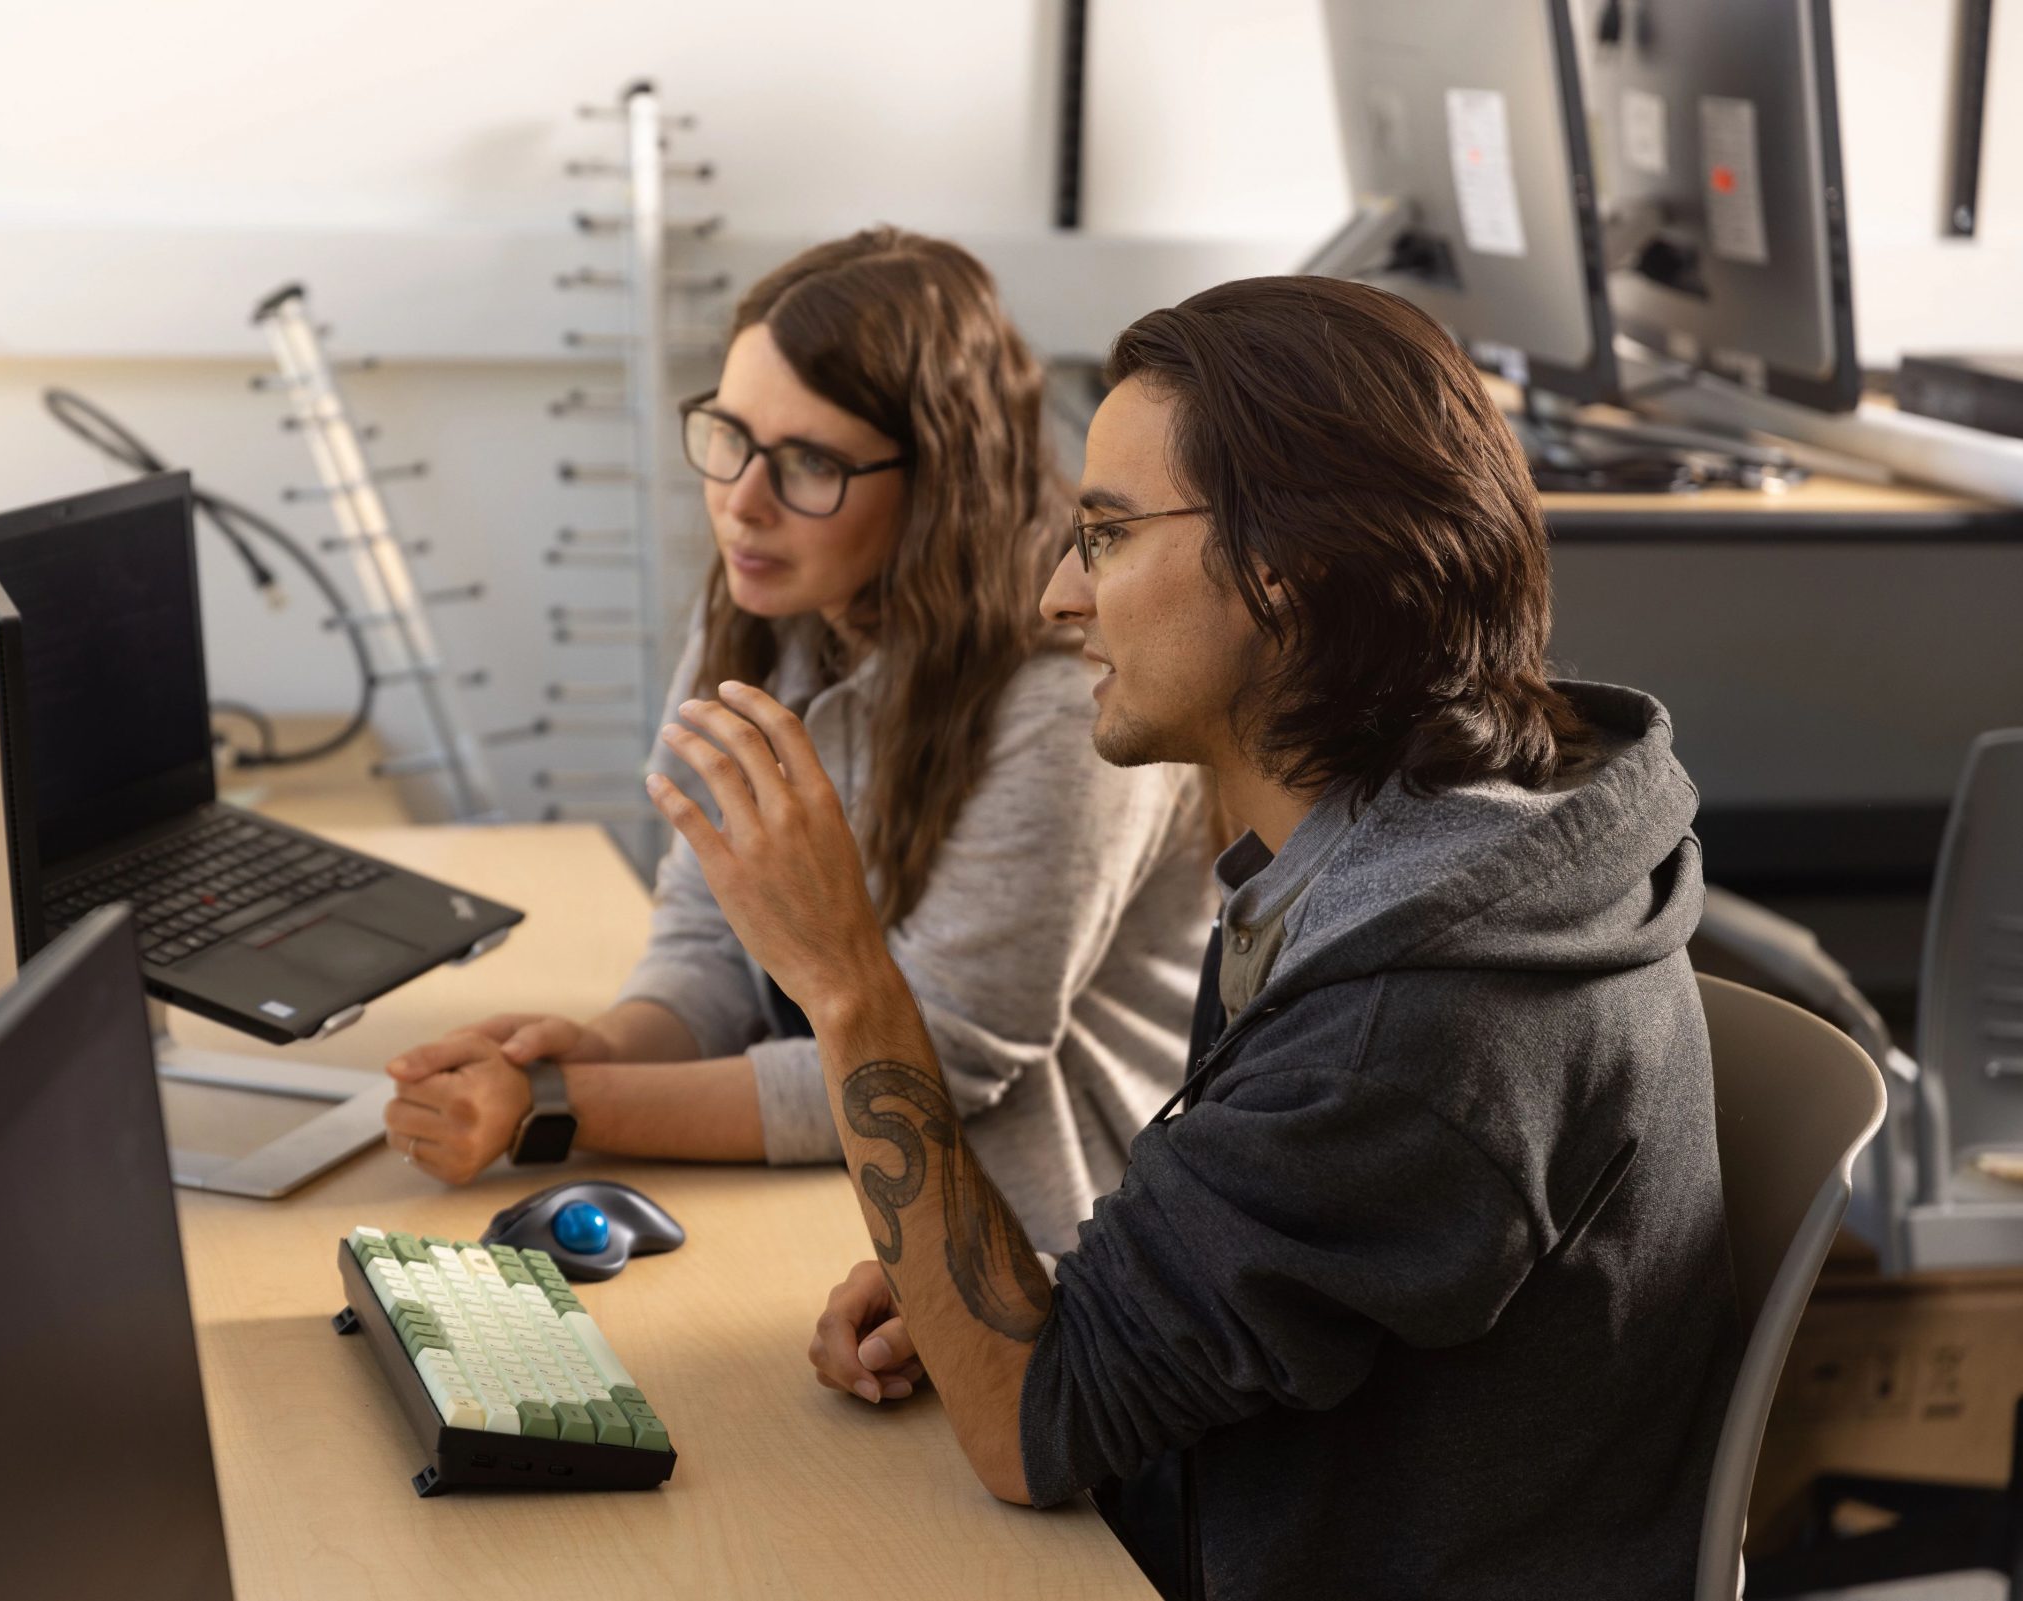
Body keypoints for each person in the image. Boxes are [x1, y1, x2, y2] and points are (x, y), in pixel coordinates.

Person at [642, 275, 1739, 1598]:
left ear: (1288, 571)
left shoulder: (1411, 1021)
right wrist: (1060, 1292)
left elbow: (1027, 1431)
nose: (1055, 595)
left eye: (1103, 538)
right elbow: (1287, 1279)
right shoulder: (1389, 864)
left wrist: (845, 979)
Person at [381, 228, 1212, 1256]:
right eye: (728, 435)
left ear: (943, 479)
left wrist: (561, 1102)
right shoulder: (777, 594)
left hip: (1033, 1240)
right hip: (841, 1194)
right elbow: (709, 943)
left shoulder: (1060, 691)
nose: (742, 500)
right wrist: (607, 1047)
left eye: (811, 461)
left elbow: (936, 1067)